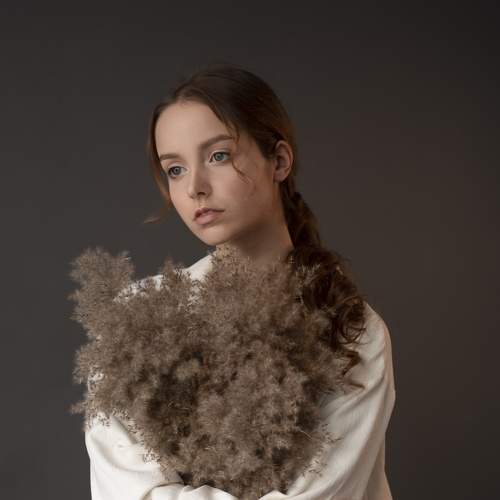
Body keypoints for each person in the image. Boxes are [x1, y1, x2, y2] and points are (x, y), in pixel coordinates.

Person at [83, 62, 397, 499]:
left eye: (218, 156)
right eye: (175, 169)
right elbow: (126, 490)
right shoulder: (135, 320)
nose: (195, 187)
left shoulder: (350, 329)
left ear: (279, 161)